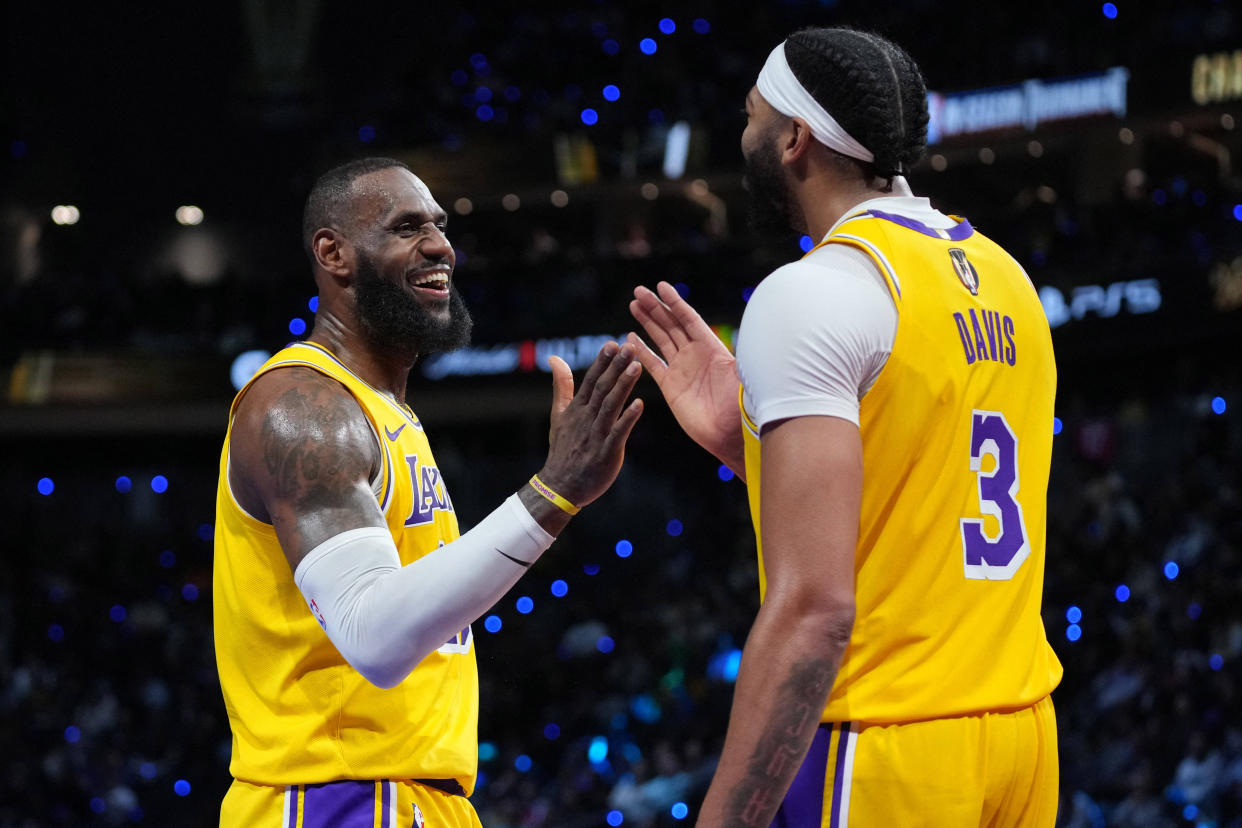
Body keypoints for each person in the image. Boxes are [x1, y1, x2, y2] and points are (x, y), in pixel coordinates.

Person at [628, 27, 1062, 827]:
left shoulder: (811, 291)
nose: (743, 134)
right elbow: (928, 491)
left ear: (794, 139)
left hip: (887, 739)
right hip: (1022, 733)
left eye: (752, 116)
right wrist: (748, 444)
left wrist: (724, 815)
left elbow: (815, 609)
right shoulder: (1009, 277)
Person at [213, 157, 644, 827]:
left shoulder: (388, 413)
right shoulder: (301, 407)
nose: (441, 245)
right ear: (334, 253)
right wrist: (554, 492)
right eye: (408, 227)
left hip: (412, 795)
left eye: (440, 227)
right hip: (335, 796)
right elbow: (374, 633)